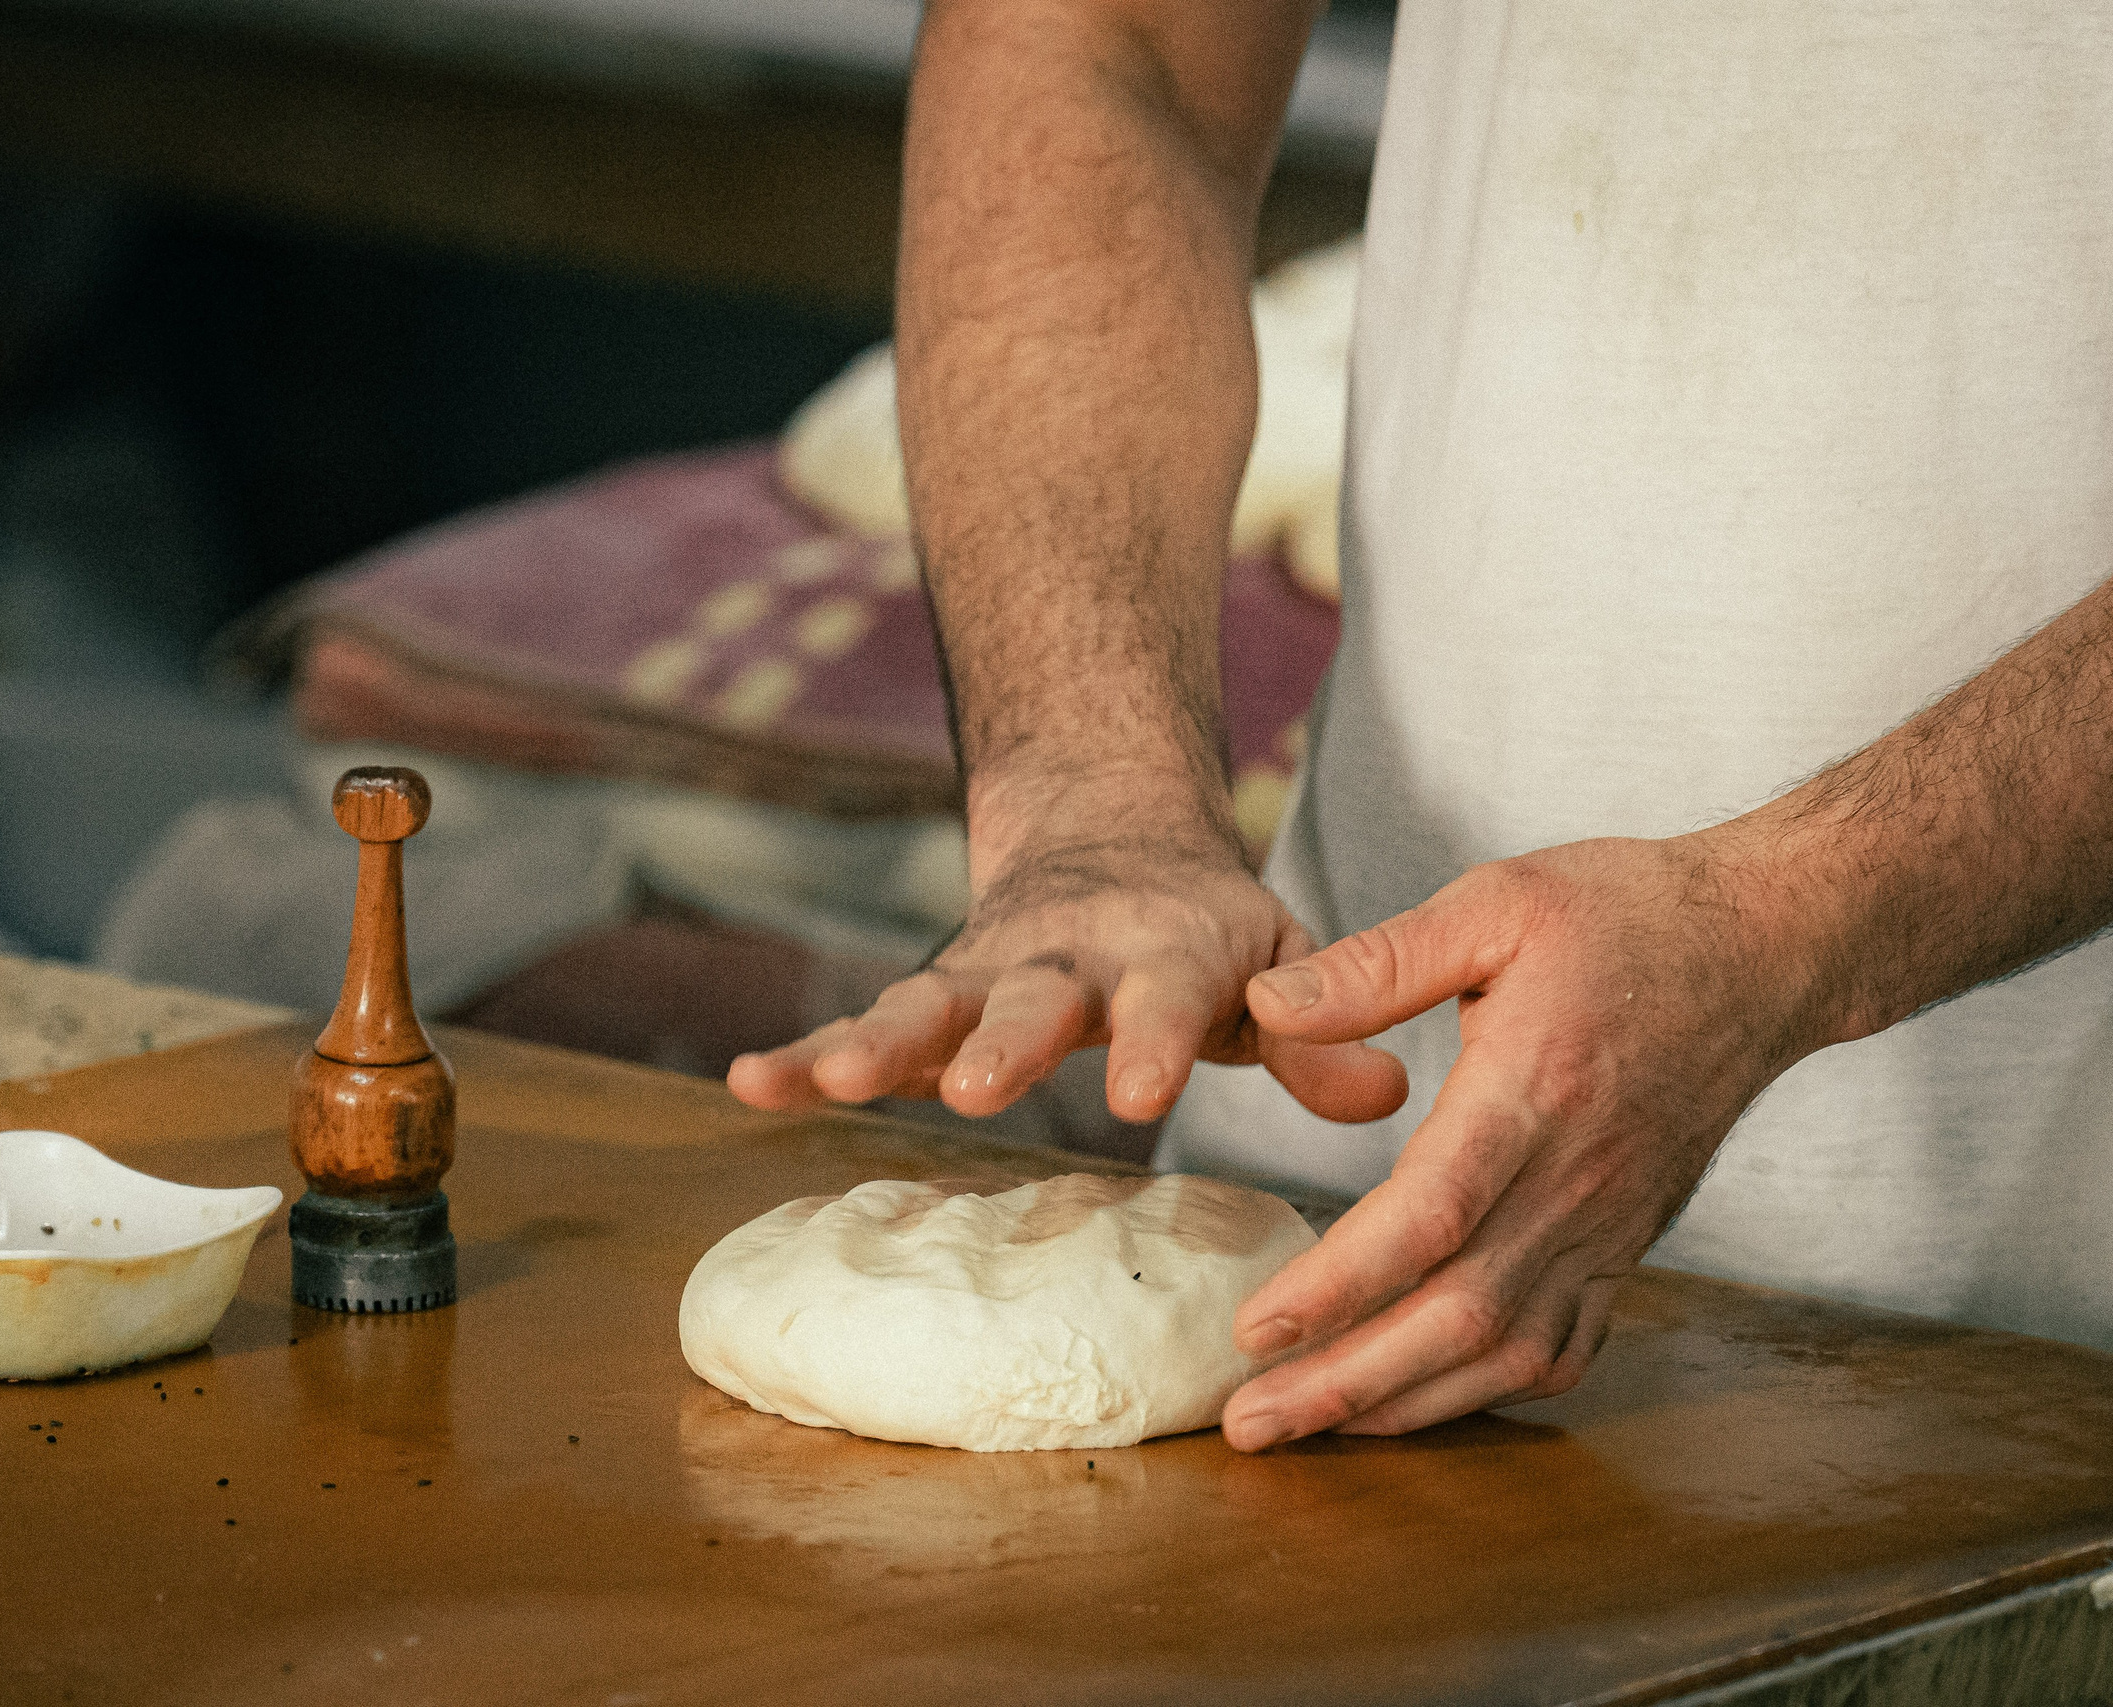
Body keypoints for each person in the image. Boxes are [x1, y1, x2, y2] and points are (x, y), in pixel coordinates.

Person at [727, 0, 2113, 1450]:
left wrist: (1786, 927)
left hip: (2055, 1323)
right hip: (1343, 1230)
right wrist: (1093, 805)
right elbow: (1105, 46)